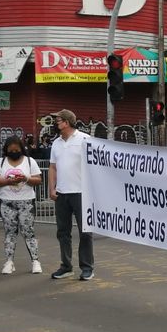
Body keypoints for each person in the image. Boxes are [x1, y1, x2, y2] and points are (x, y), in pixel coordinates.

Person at [48, 109, 94, 280]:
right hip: (62, 194)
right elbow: (52, 167)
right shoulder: (56, 143)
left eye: (58, 120)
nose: (55, 123)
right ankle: (66, 266)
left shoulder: (84, 139)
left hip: (81, 193)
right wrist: (52, 188)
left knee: (85, 232)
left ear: (66, 122)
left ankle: (87, 267)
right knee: (63, 232)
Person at [0, 136, 43, 275]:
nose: (14, 152)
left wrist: (26, 178)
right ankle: (9, 261)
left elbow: (38, 180)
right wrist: (7, 182)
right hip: (6, 201)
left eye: (16, 149)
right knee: (10, 232)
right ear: (6, 150)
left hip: (26, 202)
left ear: (22, 149)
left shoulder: (30, 162)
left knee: (28, 231)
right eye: (11, 150)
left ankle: (35, 261)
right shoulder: (0, 162)